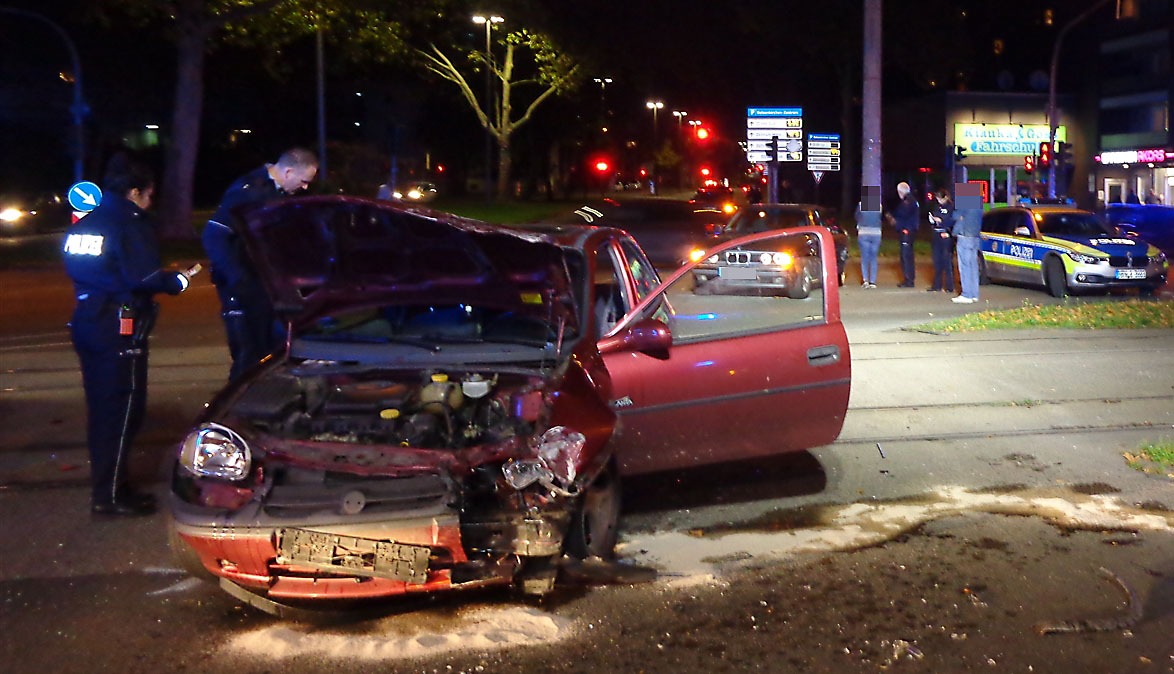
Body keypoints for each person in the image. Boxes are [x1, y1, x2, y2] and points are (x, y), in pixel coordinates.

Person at [62, 153, 195, 516]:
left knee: (102, 410)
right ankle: (111, 496)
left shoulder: (86, 222)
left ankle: (107, 486)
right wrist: (176, 281)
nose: (149, 202)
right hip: (119, 329)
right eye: (148, 195)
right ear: (136, 192)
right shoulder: (129, 222)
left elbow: (83, 267)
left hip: (88, 319)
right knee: (122, 412)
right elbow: (144, 278)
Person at [202, 147, 318, 381]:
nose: (305, 187)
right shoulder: (249, 192)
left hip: (264, 287)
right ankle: (236, 411)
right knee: (249, 357)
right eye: (304, 181)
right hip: (244, 289)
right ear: (287, 172)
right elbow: (214, 235)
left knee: (270, 352)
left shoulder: (276, 192)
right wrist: (240, 281)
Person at [951, 183, 984, 304]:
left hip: (964, 236)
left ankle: (966, 294)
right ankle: (974, 294)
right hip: (975, 237)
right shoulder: (979, 207)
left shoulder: (965, 205)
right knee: (973, 266)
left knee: (964, 266)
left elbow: (955, 215)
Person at [886, 181, 920, 287]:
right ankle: (909, 279)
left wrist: (893, 219)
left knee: (906, 256)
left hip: (906, 230)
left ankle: (908, 280)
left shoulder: (907, 201)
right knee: (908, 255)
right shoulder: (912, 200)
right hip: (909, 230)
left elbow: (902, 215)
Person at [927, 188, 955, 292]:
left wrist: (943, 222)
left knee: (946, 261)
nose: (939, 201)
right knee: (937, 260)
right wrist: (933, 220)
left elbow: (952, 220)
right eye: (937, 199)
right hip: (936, 234)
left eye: (940, 199)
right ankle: (936, 285)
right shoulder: (937, 206)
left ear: (946, 197)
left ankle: (949, 286)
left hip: (946, 235)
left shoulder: (951, 207)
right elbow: (935, 215)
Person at [855, 185, 882, 288]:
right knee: (873, 258)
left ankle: (865, 280)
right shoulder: (879, 206)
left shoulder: (861, 205)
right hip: (876, 234)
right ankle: (873, 282)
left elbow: (857, 216)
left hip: (864, 233)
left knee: (865, 258)